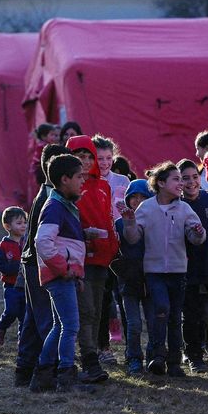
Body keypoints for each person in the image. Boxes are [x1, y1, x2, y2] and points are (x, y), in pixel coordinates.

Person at [122, 161, 206, 377]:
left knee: (175, 316)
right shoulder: (147, 208)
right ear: (160, 183)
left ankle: (175, 362)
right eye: (176, 179)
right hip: (154, 271)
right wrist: (130, 224)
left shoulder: (184, 208)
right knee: (160, 310)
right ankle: (158, 356)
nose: (181, 184)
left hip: (178, 271)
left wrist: (198, 232)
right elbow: (132, 239)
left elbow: (196, 238)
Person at [30, 154, 88, 393]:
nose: (83, 181)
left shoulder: (63, 205)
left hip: (63, 275)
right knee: (71, 326)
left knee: (59, 325)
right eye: (79, 176)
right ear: (65, 179)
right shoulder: (54, 206)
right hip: (59, 276)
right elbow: (42, 242)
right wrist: (64, 269)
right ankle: (66, 376)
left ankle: (42, 376)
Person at [14, 144, 71, 386]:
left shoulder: (44, 192)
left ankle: (24, 370)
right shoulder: (51, 197)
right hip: (40, 264)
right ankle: (52, 370)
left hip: (31, 263)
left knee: (32, 320)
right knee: (50, 320)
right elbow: (41, 240)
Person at [66, 135, 120, 383]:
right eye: (81, 156)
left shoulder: (103, 186)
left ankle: (92, 355)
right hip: (78, 257)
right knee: (86, 310)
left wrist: (111, 246)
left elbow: (107, 219)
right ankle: (88, 359)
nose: (87, 162)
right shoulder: (67, 187)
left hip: (102, 258)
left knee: (97, 311)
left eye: (90, 157)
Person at [177, 159, 208, 374]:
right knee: (190, 315)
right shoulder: (175, 205)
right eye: (184, 178)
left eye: (195, 177)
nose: (191, 182)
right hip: (187, 269)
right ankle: (193, 356)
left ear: (201, 178)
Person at [92, 134, 129, 365]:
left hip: (122, 245)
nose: (104, 163)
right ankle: (102, 347)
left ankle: (132, 349)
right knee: (102, 298)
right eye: (99, 158)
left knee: (125, 296)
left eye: (108, 158)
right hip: (99, 246)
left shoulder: (123, 181)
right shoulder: (87, 181)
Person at [113, 179, 155, 375]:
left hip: (152, 280)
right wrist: (123, 272)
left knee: (154, 321)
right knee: (134, 323)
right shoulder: (119, 224)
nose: (137, 201)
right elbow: (113, 254)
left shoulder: (155, 221)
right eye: (134, 198)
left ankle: (154, 357)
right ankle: (134, 358)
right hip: (129, 282)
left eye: (143, 197)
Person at [0, 206, 28, 347]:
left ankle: (23, 342)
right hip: (11, 286)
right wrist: (17, 266)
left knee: (25, 316)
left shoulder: (28, 243)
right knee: (11, 311)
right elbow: (1, 265)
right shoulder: (3, 246)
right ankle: (1, 328)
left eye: (25, 222)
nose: (23, 225)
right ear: (8, 226)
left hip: (26, 286)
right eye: (19, 223)